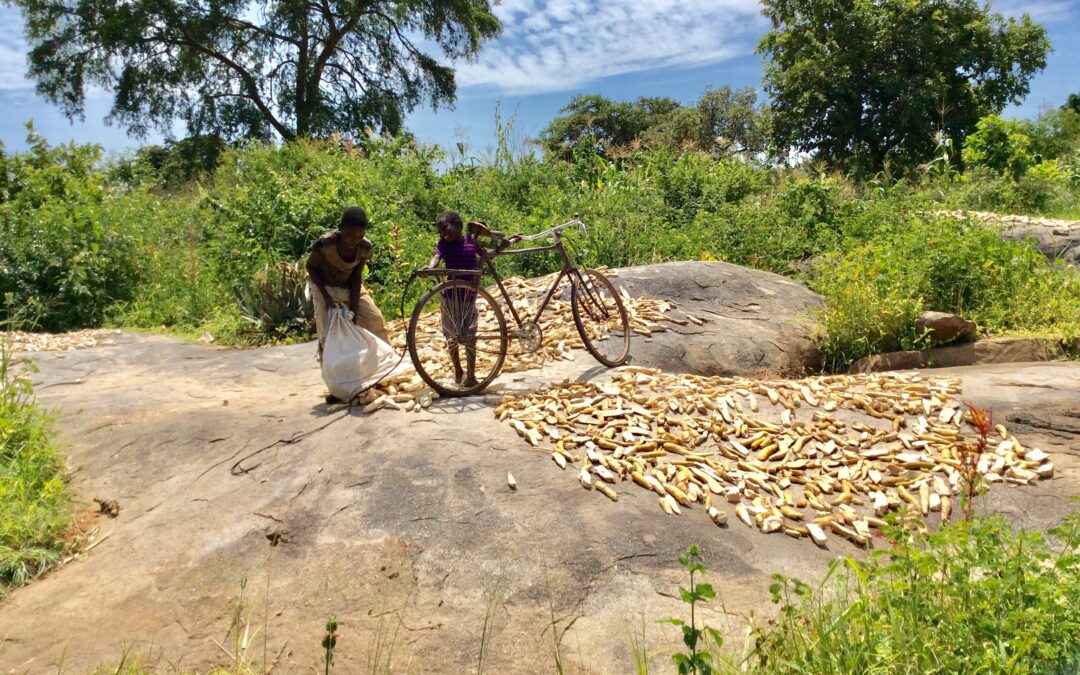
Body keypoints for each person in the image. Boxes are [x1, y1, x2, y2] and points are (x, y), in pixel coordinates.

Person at [306, 206, 390, 359]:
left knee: (374, 319)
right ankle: (329, 362)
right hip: (325, 285)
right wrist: (326, 298)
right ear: (340, 228)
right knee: (328, 328)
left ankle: (384, 360)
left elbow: (356, 277)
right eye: (350, 235)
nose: (355, 240)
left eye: (360, 235)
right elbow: (310, 267)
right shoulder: (325, 244)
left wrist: (354, 310)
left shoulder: (364, 247)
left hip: (348, 284)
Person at [427, 211, 482, 387]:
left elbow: (487, 253)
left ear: (458, 225)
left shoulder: (471, 241)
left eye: (445, 228)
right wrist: (430, 267)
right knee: (451, 335)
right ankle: (458, 369)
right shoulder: (443, 244)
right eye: (440, 231)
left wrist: (507, 242)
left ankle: (471, 375)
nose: (443, 233)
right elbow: (436, 257)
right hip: (450, 297)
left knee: (470, 336)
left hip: (469, 296)